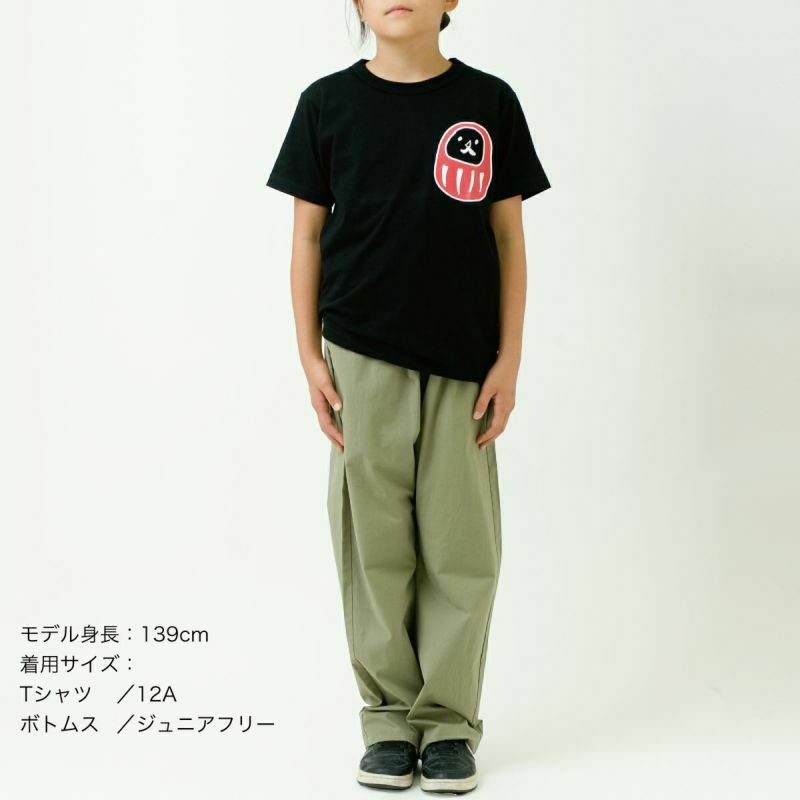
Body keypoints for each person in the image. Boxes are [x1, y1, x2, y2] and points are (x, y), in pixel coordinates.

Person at [265, 1, 550, 793]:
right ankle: (388, 720)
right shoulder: (326, 105)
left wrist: (510, 358)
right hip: (361, 355)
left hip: (466, 363)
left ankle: (449, 724)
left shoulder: (489, 102)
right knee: (375, 547)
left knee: (462, 547)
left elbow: (508, 238)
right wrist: (309, 354)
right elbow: (307, 236)